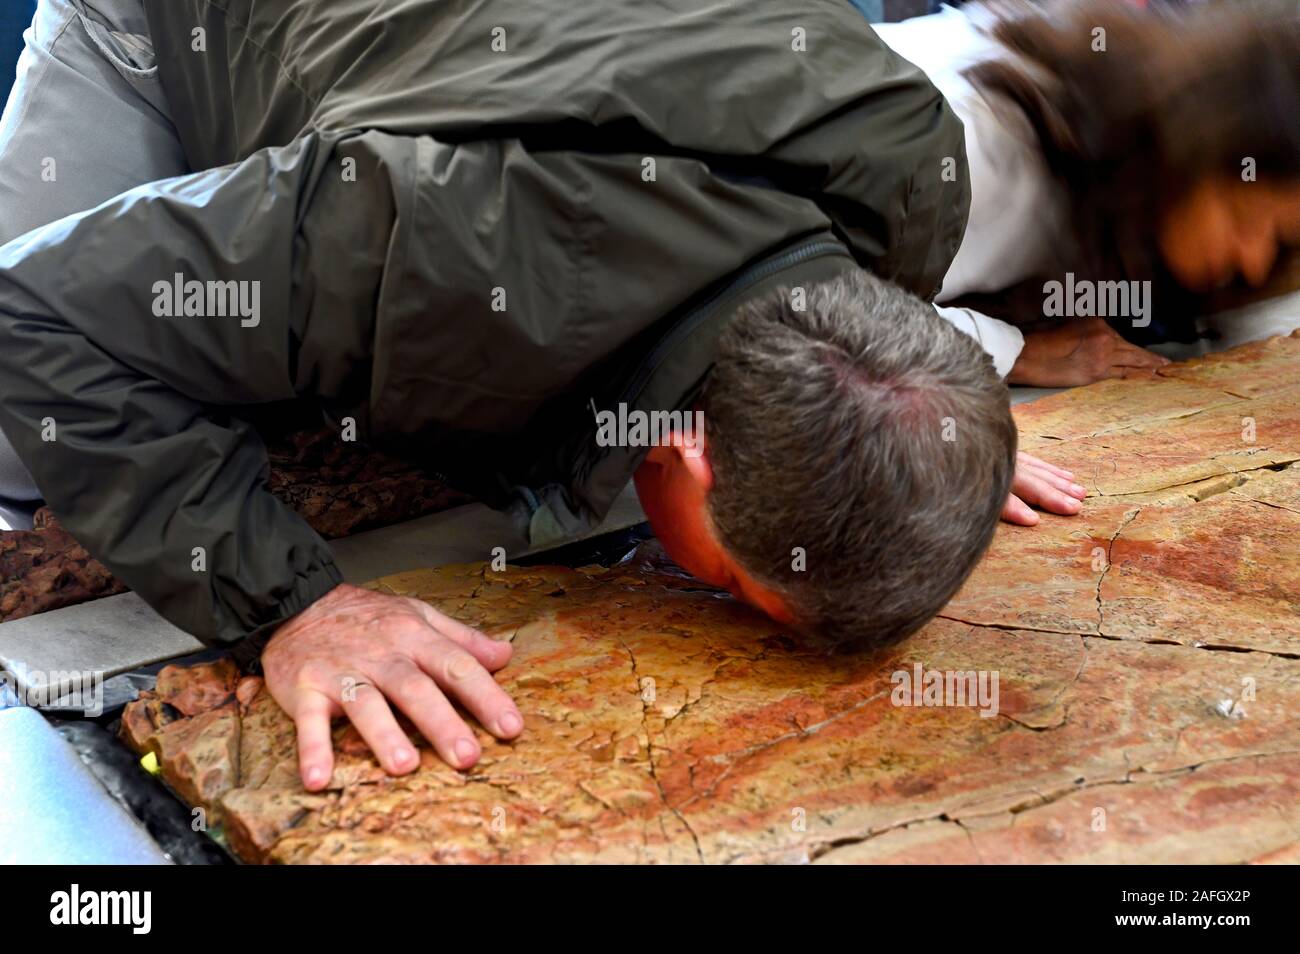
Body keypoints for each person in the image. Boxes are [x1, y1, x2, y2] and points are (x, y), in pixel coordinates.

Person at [0, 0, 1081, 787]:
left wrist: (929, 443)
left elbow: (879, 362)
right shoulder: (422, 245)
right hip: (181, 29)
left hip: (486, 66)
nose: (715, 608)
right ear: (695, 453)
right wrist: (292, 605)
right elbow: (35, 314)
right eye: (736, 592)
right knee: (29, 437)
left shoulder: (911, 170)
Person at [868, 0, 1300, 388]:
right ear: (1188, 154)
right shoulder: (987, 149)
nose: (1254, 259)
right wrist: (1012, 353)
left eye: (1279, 238)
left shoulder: (1120, 153)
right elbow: (824, 299)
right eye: (1243, 217)